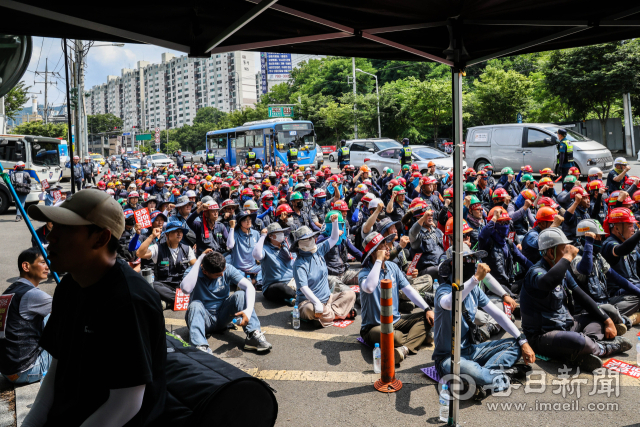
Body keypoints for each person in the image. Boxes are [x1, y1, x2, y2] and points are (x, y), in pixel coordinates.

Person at [24, 189, 166, 426]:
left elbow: (127, 401)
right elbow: (57, 369)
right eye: (53, 226)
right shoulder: (69, 286)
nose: (51, 237)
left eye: (65, 228)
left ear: (101, 238)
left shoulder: (130, 300)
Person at [521, 227, 632, 372]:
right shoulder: (536, 272)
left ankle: (579, 352)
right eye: (564, 249)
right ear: (550, 252)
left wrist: (607, 320)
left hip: (566, 325)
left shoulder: (563, 271)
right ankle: (604, 347)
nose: (568, 252)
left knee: (598, 321)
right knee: (577, 340)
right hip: (542, 335)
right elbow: (547, 283)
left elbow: (582, 296)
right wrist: (567, 257)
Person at [433, 245, 533, 399]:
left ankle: (482, 378)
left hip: (471, 350)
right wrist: (475, 279)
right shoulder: (443, 290)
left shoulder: (474, 290)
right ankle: (499, 377)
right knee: (471, 371)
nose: (472, 262)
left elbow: (498, 315)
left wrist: (523, 340)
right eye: (467, 259)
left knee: (514, 345)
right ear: (453, 264)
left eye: (473, 259)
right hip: (449, 357)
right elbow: (449, 303)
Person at [359, 231, 433, 364]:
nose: (388, 247)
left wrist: (427, 308)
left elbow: (409, 291)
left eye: (387, 244)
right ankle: (417, 337)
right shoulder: (365, 273)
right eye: (383, 246)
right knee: (396, 338)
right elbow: (369, 287)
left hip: (396, 321)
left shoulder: (392, 267)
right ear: (374, 252)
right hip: (374, 326)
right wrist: (378, 260)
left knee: (428, 317)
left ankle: (404, 349)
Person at [180, 251, 272, 353]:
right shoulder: (193, 272)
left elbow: (249, 286)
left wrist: (248, 311)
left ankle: (253, 335)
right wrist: (199, 261)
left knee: (241, 295)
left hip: (222, 316)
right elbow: (186, 289)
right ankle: (200, 347)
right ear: (205, 271)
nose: (222, 275)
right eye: (218, 275)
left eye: (223, 271)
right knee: (195, 305)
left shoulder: (226, 268)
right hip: (202, 318)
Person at [0, 248, 52, 385]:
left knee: (48, 318)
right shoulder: (33, 295)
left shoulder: (8, 293)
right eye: (42, 262)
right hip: (27, 370)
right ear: (26, 266)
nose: (47, 266)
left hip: (8, 371)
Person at [292, 219, 357, 327]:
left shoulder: (319, 250)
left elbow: (334, 238)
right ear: (300, 243)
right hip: (308, 302)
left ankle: (327, 315)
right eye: (307, 239)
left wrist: (335, 222)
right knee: (309, 309)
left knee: (350, 294)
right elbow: (304, 287)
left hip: (328, 299)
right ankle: (338, 314)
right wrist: (317, 303)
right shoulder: (299, 264)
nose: (312, 240)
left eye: (311, 237)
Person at [137, 221, 197, 309]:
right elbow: (139, 253)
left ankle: (170, 303)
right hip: (164, 287)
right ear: (167, 234)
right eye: (175, 231)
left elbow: (195, 266)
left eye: (181, 231)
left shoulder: (187, 249)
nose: (179, 234)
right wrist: (152, 236)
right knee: (154, 285)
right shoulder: (157, 248)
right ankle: (182, 300)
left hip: (181, 286)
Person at [252, 223, 297, 306]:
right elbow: (256, 255)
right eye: (278, 233)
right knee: (282, 288)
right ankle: (299, 297)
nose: (282, 235)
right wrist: (262, 236)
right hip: (273, 286)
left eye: (282, 232)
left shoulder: (286, 245)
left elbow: (295, 260)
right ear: (270, 236)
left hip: (291, 281)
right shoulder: (265, 248)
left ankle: (290, 298)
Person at [226, 211, 262, 283]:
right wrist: (232, 228)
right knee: (231, 273)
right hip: (238, 269)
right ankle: (251, 281)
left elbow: (260, 251)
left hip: (253, 268)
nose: (248, 221)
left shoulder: (256, 233)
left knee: (267, 268)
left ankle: (253, 281)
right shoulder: (235, 233)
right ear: (239, 223)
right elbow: (230, 245)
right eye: (244, 220)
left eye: (249, 219)